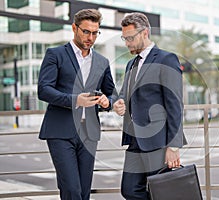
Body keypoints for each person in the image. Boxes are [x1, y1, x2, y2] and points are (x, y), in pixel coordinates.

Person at [38, 9, 115, 200]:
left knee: (83, 191)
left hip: (89, 133)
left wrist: (107, 102)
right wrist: (75, 100)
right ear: (74, 28)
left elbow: (112, 93)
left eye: (95, 33)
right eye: (86, 32)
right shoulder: (55, 54)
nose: (90, 37)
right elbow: (44, 90)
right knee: (71, 189)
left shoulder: (102, 61)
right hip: (60, 132)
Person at [113, 12, 186, 200]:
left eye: (130, 38)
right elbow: (124, 95)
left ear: (145, 33)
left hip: (158, 140)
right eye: (125, 38)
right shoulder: (130, 64)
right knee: (129, 190)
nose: (127, 43)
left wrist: (174, 146)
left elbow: (175, 105)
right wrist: (119, 103)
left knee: (160, 191)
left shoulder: (166, 59)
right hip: (135, 139)